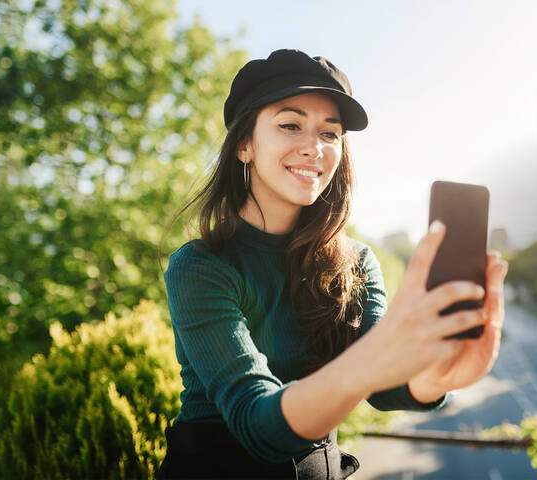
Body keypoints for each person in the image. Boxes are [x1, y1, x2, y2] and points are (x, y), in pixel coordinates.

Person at [155, 49, 509, 479]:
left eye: (330, 133)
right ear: (244, 145)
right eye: (290, 125)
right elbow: (257, 424)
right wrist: (380, 355)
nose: (314, 148)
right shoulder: (200, 266)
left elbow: (381, 385)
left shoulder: (355, 260)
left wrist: (434, 379)